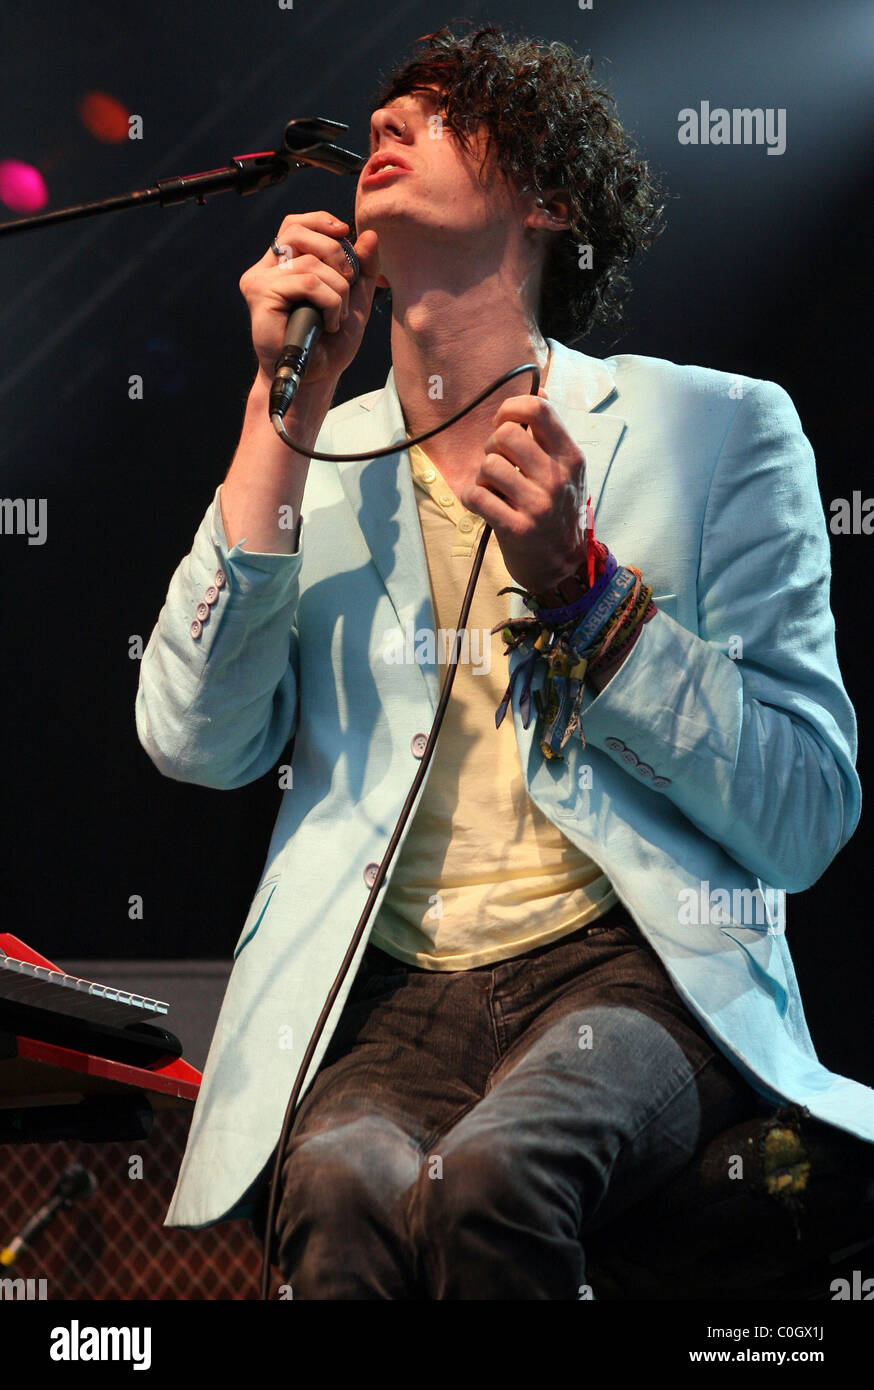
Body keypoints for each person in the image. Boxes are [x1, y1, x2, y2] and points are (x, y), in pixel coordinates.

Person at [135, 24, 872, 1299]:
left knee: (495, 1174)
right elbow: (195, 741)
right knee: (339, 1184)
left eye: (443, 112)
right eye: (380, 116)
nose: (386, 126)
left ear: (547, 200)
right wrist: (284, 414)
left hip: (628, 964)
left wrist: (589, 601)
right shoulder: (317, 450)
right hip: (399, 992)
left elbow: (804, 808)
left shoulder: (718, 430)